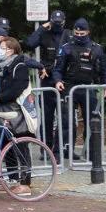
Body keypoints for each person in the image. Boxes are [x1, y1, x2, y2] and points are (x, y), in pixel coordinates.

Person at [53, 19, 106, 161]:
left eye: (82, 33)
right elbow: (58, 69)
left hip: (89, 88)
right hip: (69, 88)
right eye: (76, 32)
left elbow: (105, 71)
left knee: (92, 121)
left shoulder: (97, 48)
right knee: (66, 121)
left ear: (88, 32)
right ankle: (62, 151)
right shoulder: (67, 47)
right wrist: (57, 81)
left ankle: (92, 152)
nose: (79, 35)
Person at [0, 37, 42, 196]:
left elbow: (17, 88)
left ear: (11, 50)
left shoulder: (19, 66)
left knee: (21, 145)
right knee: (6, 146)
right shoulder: (1, 67)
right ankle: (13, 179)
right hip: (4, 110)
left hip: (17, 111)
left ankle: (26, 183)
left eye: (3, 47)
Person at [24, 9, 70, 151]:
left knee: (65, 116)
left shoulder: (68, 35)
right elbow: (29, 44)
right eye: (53, 22)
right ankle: (46, 148)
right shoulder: (44, 34)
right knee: (47, 116)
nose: (56, 25)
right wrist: (41, 28)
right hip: (47, 79)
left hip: (64, 80)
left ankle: (63, 148)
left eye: (59, 23)